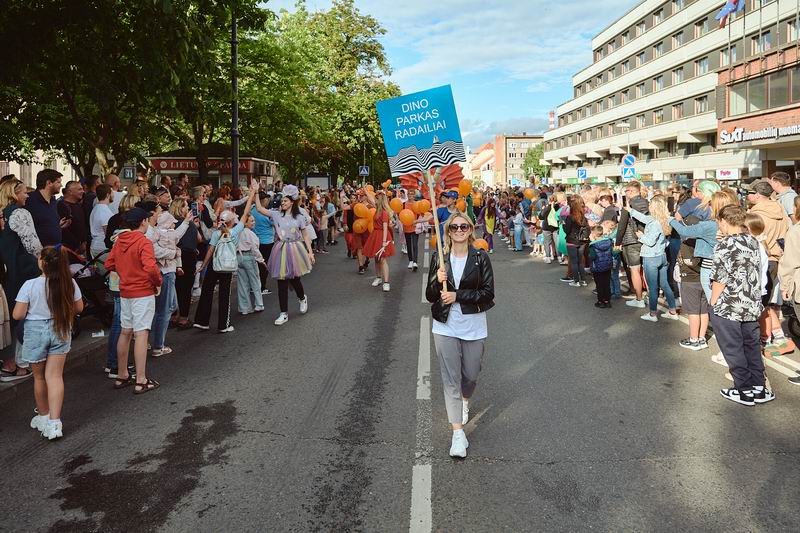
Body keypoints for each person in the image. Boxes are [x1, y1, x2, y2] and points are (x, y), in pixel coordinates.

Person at [426, 213, 494, 458]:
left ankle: (466, 400)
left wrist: (458, 296)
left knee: (471, 375)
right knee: (450, 379)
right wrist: (437, 280)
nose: (459, 230)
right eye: (454, 227)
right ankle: (457, 434)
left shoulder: (480, 257)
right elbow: (430, 296)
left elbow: (488, 293)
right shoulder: (440, 257)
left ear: (470, 229)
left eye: (463, 226)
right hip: (445, 325)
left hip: (474, 325)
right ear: (448, 232)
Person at [14, 247, 84, 440]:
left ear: (43, 263)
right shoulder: (69, 282)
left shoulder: (29, 285)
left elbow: (18, 314)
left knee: (39, 378)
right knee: (55, 376)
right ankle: (55, 424)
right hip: (60, 328)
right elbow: (79, 308)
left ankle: (43, 416)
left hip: (35, 332)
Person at [709, 205, 774, 405]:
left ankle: (743, 389)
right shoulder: (753, 241)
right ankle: (759, 387)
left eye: (719, 222)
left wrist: (713, 301)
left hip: (729, 304)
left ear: (724, 221)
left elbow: (720, 278)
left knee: (733, 348)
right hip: (751, 302)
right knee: (751, 346)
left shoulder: (724, 245)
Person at [104, 207, 163, 395]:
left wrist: (125, 271)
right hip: (142, 291)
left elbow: (109, 263)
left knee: (125, 332)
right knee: (141, 333)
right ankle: (141, 379)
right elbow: (151, 268)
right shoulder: (143, 242)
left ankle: (122, 374)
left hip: (126, 291)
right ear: (143, 222)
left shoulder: (120, 240)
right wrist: (157, 282)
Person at [193, 184, 257, 332]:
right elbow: (246, 212)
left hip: (214, 264)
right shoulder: (234, 231)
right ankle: (223, 325)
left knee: (207, 291)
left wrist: (203, 265)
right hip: (227, 266)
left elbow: (210, 250)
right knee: (224, 294)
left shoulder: (216, 233)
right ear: (231, 222)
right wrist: (252, 193)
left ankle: (202, 321)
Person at [253, 184, 314, 326]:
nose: (282, 203)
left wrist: (310, 252)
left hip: (295, 248)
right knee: (281, 282)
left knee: (295, 279)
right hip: (280, 248)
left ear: (292, 202)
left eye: (285, 200)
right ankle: (283, 313)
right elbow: (259, 209)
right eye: (282, 201)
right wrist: (256, 192)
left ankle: (302, 298)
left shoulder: (299, 217)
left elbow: (305, 235)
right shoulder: (276, 214)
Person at [0, 179, 41, 382]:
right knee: (24, 315)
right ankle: (19, 364)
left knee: (9, 315)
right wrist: (43, 260)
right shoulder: (19, 213)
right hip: (22, 270)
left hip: (7, 270)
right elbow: (33, 244)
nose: (27, 195)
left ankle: (11, 362)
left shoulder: (3, 214)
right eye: (24, 192)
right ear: (14, 193)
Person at [746, 180, 791, 355]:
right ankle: (778, 336)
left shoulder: (756, 214)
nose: (748, 196)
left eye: (750, 193)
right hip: (779, 258)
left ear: (758, 195)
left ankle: (767, 339)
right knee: (771, 303)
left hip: (764, 259)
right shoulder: (780, 209)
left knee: (762, 303)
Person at [627, 195, 679, 322]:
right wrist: (630, 210)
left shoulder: (655, 223)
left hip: (651, 258)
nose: (649, 206)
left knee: (653, 287)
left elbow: (650, 242)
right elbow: (644, 218)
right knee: (665, 285)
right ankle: (672, 311)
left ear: (654, 207)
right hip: (662, 256)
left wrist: (640, 235)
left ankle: (652, 314)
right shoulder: (666, 219)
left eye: (650, 204)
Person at [149, 205, 192, 356]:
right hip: (165, 272)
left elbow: (178, 234)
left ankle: (151, 340)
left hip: (169, 271)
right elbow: (154, 251)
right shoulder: (154, 233)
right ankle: (157, 345)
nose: (174, 225)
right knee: (164, 309)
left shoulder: (162, 232)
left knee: (170, 306)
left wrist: (186, 221)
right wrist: (173, 253)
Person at [615, 181, 649, 307]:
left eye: (626, 191)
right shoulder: (647, 203)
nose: (625, 194)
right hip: (647, 239)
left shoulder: (629, 205)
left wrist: (618, 242)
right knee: (647, 270)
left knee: (635, 270)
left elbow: (622, 225)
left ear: (631, 191)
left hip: (631, 241)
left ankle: (639, 299)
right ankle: (651, 297)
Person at [362, 191, 396, 291]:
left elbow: (385, 228)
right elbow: (370, 199)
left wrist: (384, 242)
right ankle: (378, 277)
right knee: (376, 258)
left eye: (376, 198)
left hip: (382, 236)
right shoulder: (377, 209)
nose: (374, 200)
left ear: (379, 200)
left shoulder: (384, 213)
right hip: (375, 235)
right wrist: (365, 190)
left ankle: (386, 282)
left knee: (383, 259)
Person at [26, 168, 65, 247]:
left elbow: (46, 222)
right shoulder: (29, 200)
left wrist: (57, 225)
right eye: (58, 182)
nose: (61, 185)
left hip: (54, 249)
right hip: (38, 250)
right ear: (49, 183)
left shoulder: (53, 201)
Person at [236, 214, 266, 314]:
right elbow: (254, 248)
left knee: (242, 284)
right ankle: (259, 305)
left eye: (254, 220)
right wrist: (261, 260)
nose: (254, 223)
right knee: (255, 281)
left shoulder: (237, 232)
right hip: (249, 256)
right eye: (251, 221)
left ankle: (245, 308)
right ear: (245, 223)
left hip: (239, 257)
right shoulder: (250, 233)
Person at [563, 196, 590, 287]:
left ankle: (576, 281)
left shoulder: (570, 217)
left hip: (571, 241)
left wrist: (563, 223)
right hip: (582, 241)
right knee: (580, 262)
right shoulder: (583, 217)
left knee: (574, 262)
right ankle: (583, 280)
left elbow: (567, 230)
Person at [251, 192, 275, 294]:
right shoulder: (265, 213)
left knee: (255, 265)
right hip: (266, 241)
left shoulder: (251, 210)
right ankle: (261, 287)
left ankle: (253, 286)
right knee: (264, 265)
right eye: (267, 200)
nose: (268, 202)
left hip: (254, 240)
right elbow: (273, 222)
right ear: (263, 200)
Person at [58, 181, 87, 253]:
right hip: (68, 249)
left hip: (80, 248)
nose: (83, 191)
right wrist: (76, 246)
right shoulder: (62, 206)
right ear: (70, 191)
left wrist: (83, 241)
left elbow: (82, 225)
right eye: (79, 189)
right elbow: (64, 230)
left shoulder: (79, 206)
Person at [588, 226, 613, 308]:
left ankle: (601, 301)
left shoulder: (593, 245)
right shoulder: (608, 241)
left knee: (599, 284)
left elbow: (593, 256)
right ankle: (607, 301)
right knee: (607, 283)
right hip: (607, 265)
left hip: (597, 267)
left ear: (594, 234)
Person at [89, 184, 114, 264]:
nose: (113, 195)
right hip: (102, 247)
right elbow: (108, 232)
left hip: (97, 246)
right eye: (112, 193)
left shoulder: (97, 208)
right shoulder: (103, 210)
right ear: (107, 195)